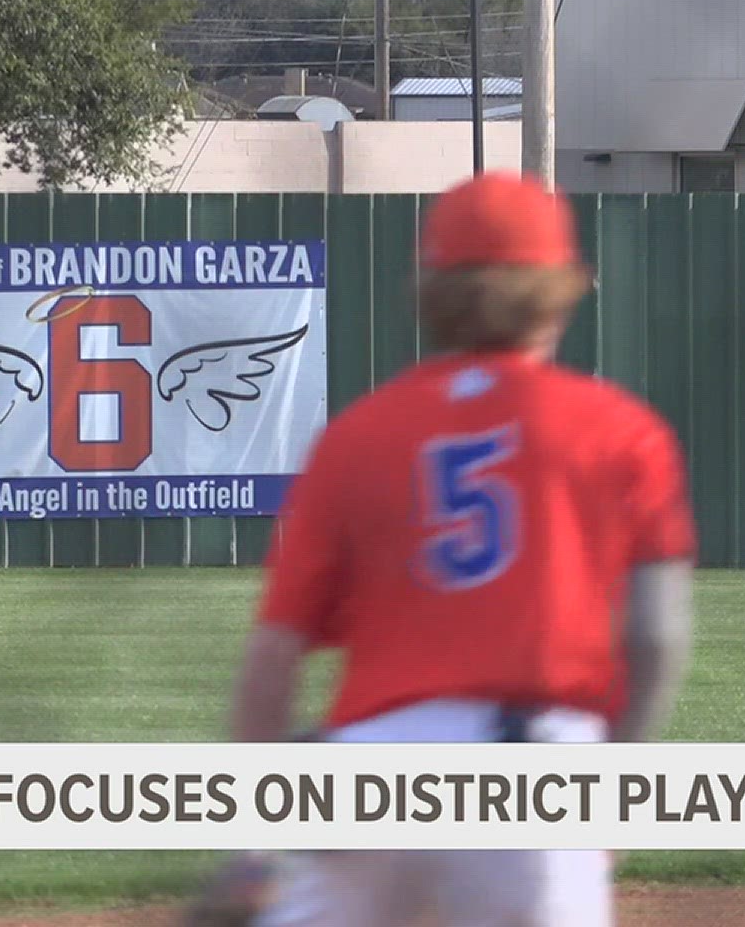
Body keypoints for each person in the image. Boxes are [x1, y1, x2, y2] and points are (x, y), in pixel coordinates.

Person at [214, 171, 699, 927]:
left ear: (431, 287)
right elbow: (656, 638)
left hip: (371, 772)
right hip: (534, 770)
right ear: (560, 287)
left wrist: (251, 845)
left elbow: (271, 660)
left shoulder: (355, 437)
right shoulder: (621, 432)